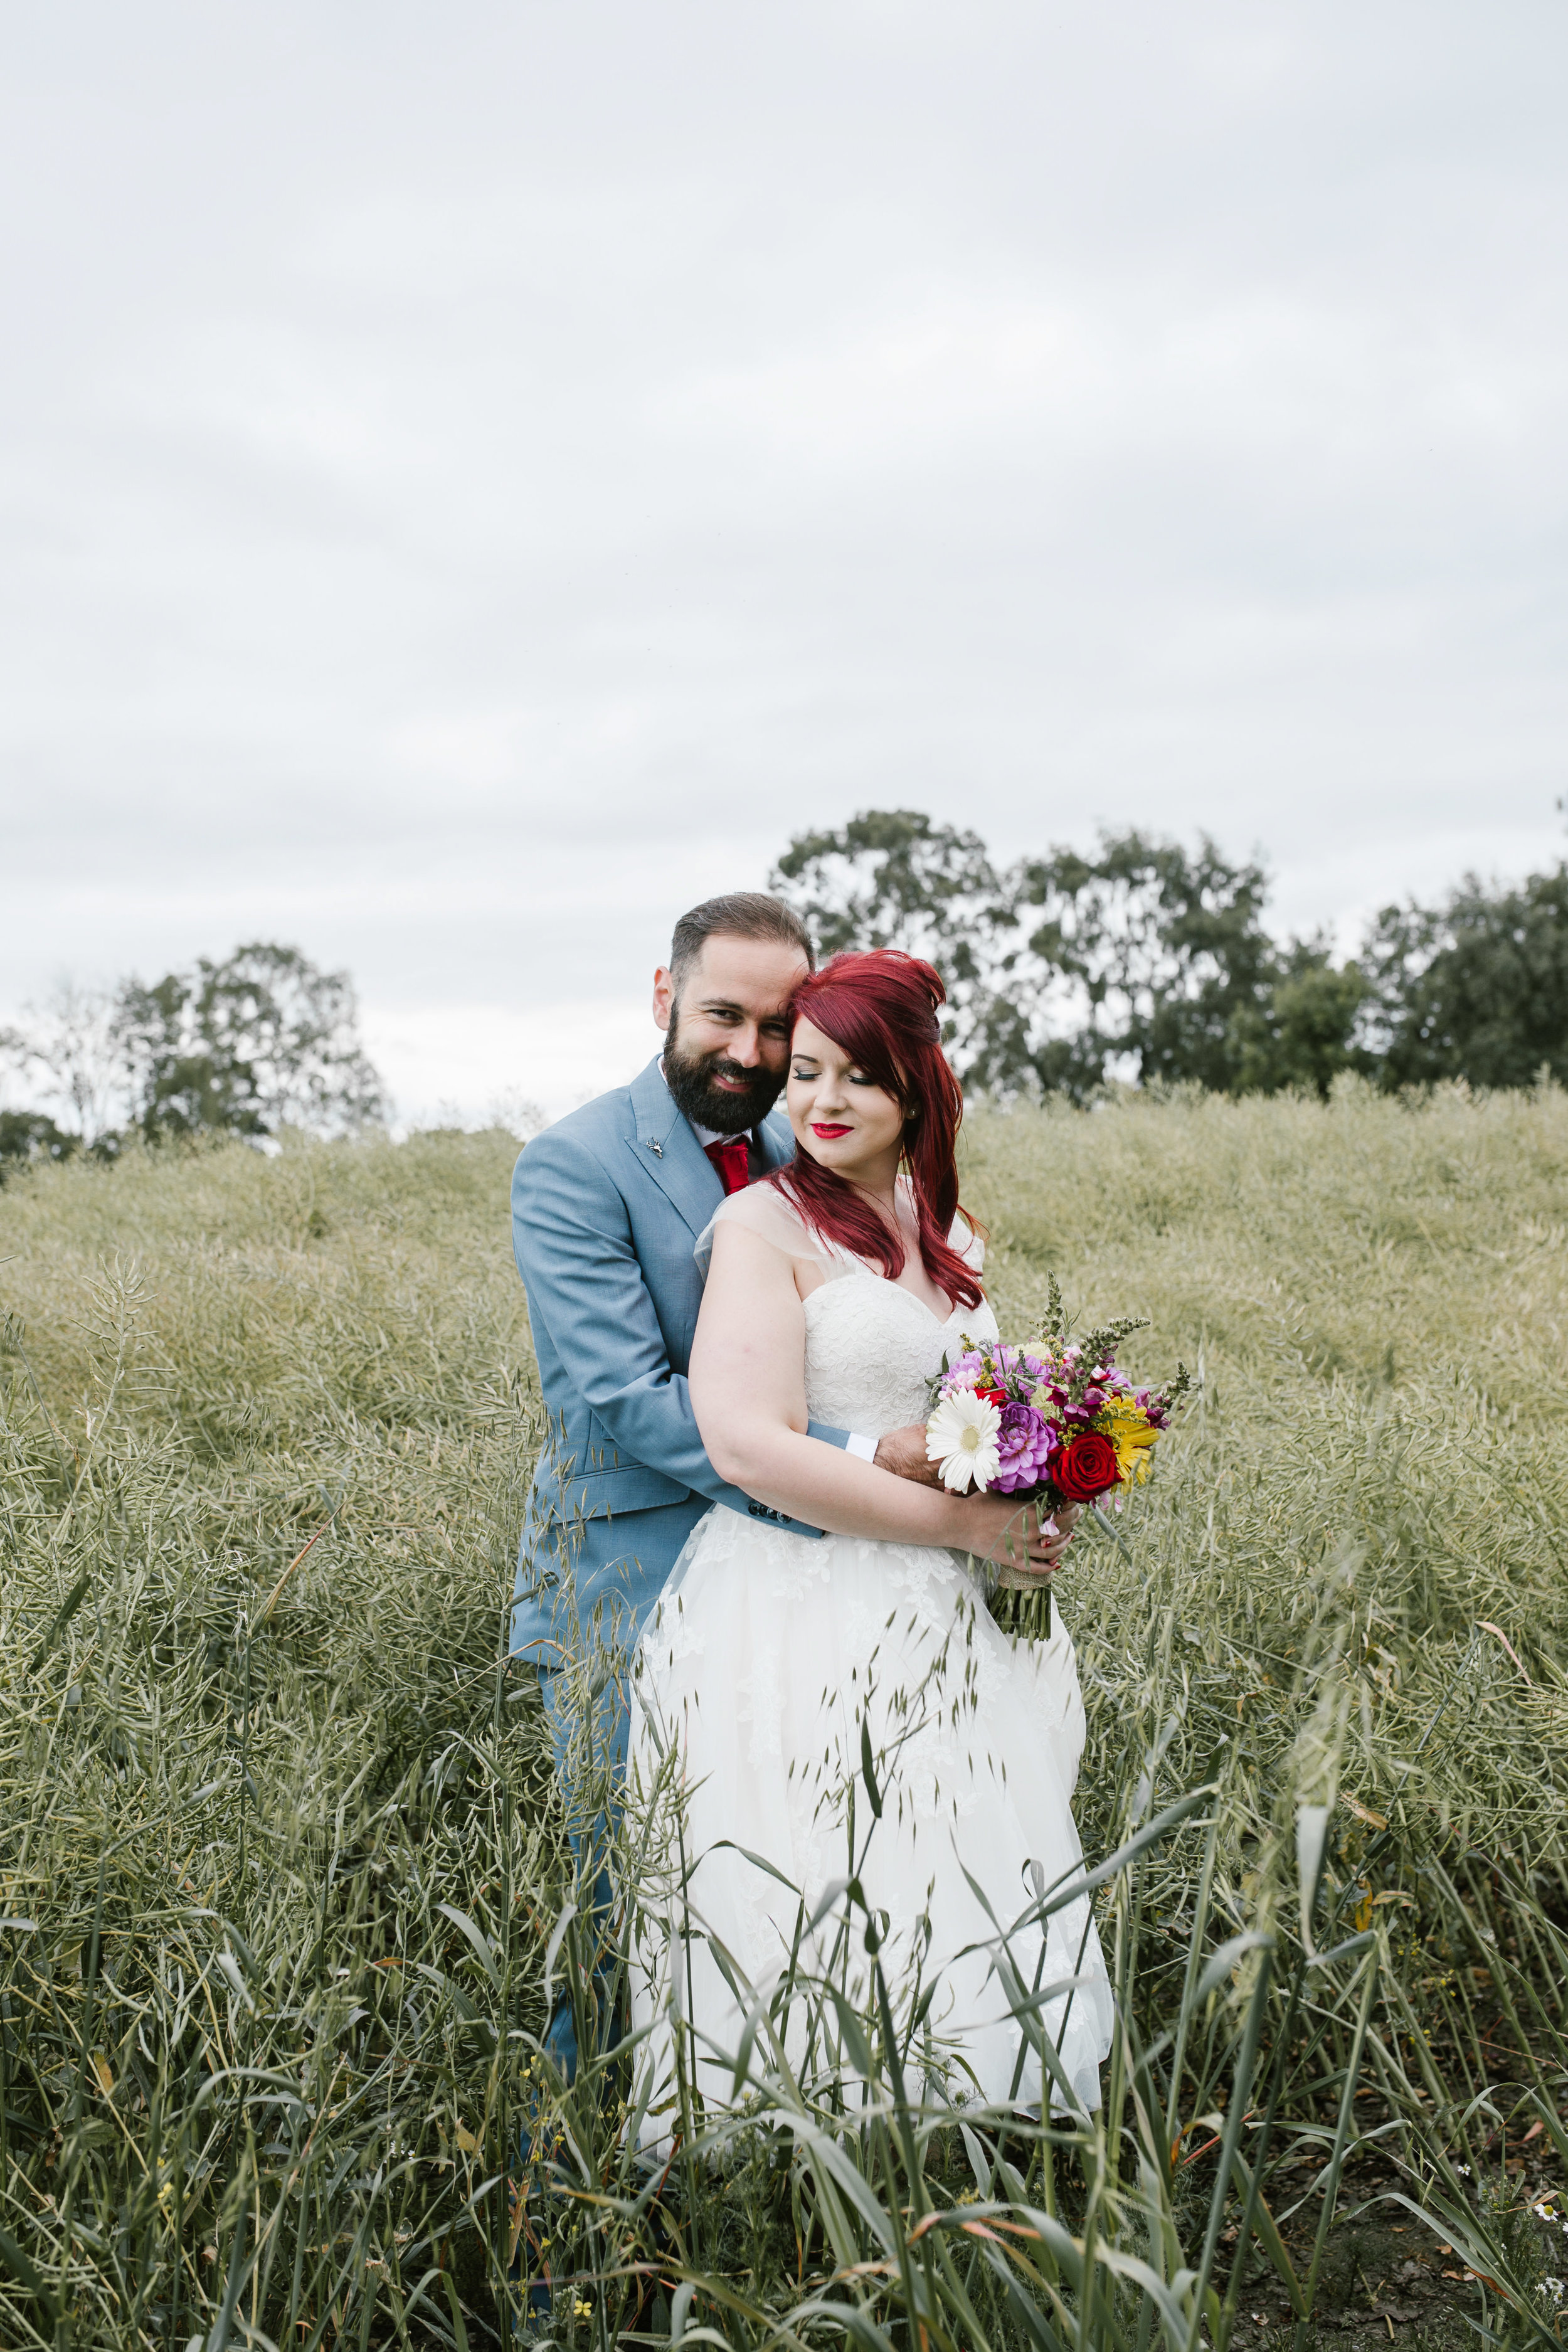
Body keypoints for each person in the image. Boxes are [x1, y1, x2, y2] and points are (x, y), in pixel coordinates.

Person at [510, 895, 1073, 2079]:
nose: (757, 1054)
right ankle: (572, 2232)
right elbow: (635, 1400)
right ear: (664, 999)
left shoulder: (804, 1144)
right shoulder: (576, 1164)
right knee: (634, 1910)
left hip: (840, 1586)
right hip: (629, 1577)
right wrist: (885, 1470)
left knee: (827, 1903)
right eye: (727, 1016)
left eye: (782, 1026)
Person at [628, 948, 1113, 2124]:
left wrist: (1034, 1481)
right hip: (802, 1597)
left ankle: (961, 2157)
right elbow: (749, 1443)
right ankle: (808, 2192)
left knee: (956, 1874)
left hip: (948, 1610)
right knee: (825, 1879)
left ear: (918, 1089)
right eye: (805, 1073)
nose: (821, 1101)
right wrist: (969, 1520)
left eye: (858, 1076)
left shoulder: (950, 1228)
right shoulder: (762, 1225)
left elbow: (976, 1406)